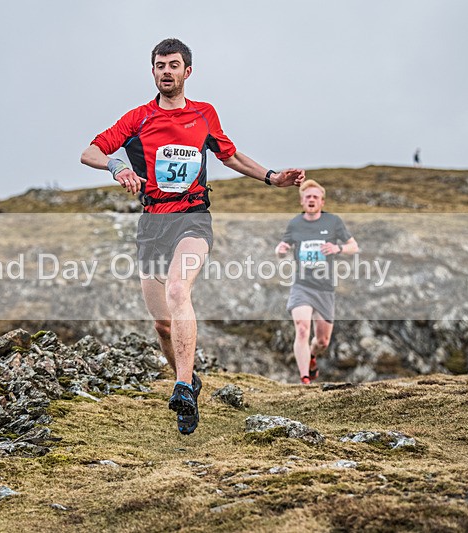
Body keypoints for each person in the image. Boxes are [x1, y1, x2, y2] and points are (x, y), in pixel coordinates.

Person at [81, 38, 306, 435]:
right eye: (159, 65)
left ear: (188, 72)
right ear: (152, 72)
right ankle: (188, 381)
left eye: (173, 65)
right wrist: (118, 167)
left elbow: (230, 155)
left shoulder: (204, 115)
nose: (166, 71)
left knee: (178, 290)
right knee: (162, 326)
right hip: (153, 226)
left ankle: (182, 385)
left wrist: (272, 178)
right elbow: (91, 152)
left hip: (193, 220)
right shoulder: (138, 118)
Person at [275, 180, 359, 384]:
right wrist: (280, 250)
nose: (311, 200)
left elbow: (353, 246)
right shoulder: (295, 223)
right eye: (307, 197)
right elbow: (283, 246)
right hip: (301, 285)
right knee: (302, 328)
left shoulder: (333, 222)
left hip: (325, 288)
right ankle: (305, 379)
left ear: (322, 201)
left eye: (315, 197)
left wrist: (337, 249)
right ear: (301, 201)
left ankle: (312, 355)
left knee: (322, 341)